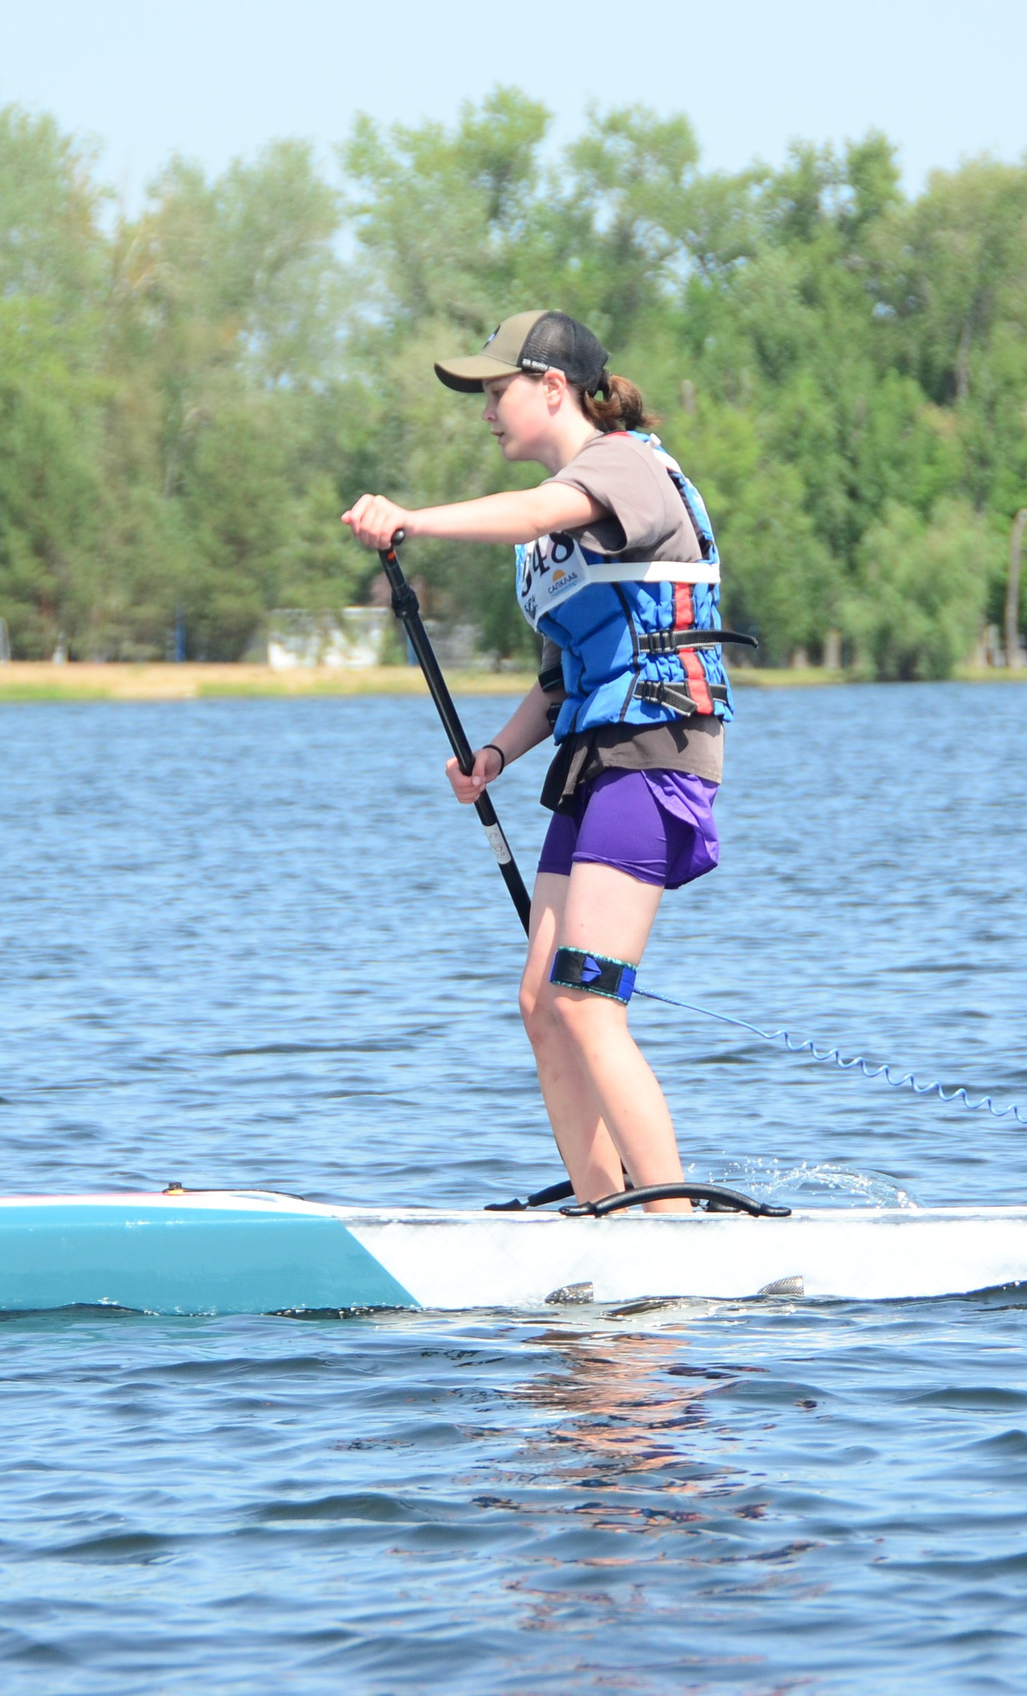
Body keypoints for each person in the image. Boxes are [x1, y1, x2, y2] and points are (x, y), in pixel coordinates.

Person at [341, 310, 749, 1214]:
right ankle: (601, 1211)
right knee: (542, 1002)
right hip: (595, 754)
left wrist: (415, 520)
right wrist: (493, 755)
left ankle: (671, 1228)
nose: (485, 411)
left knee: (588, 1000)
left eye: (497, 391)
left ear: (553, 388)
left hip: (657, 749)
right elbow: (560, 684)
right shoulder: (552, 541)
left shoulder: (622, 464)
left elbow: (534, 508)